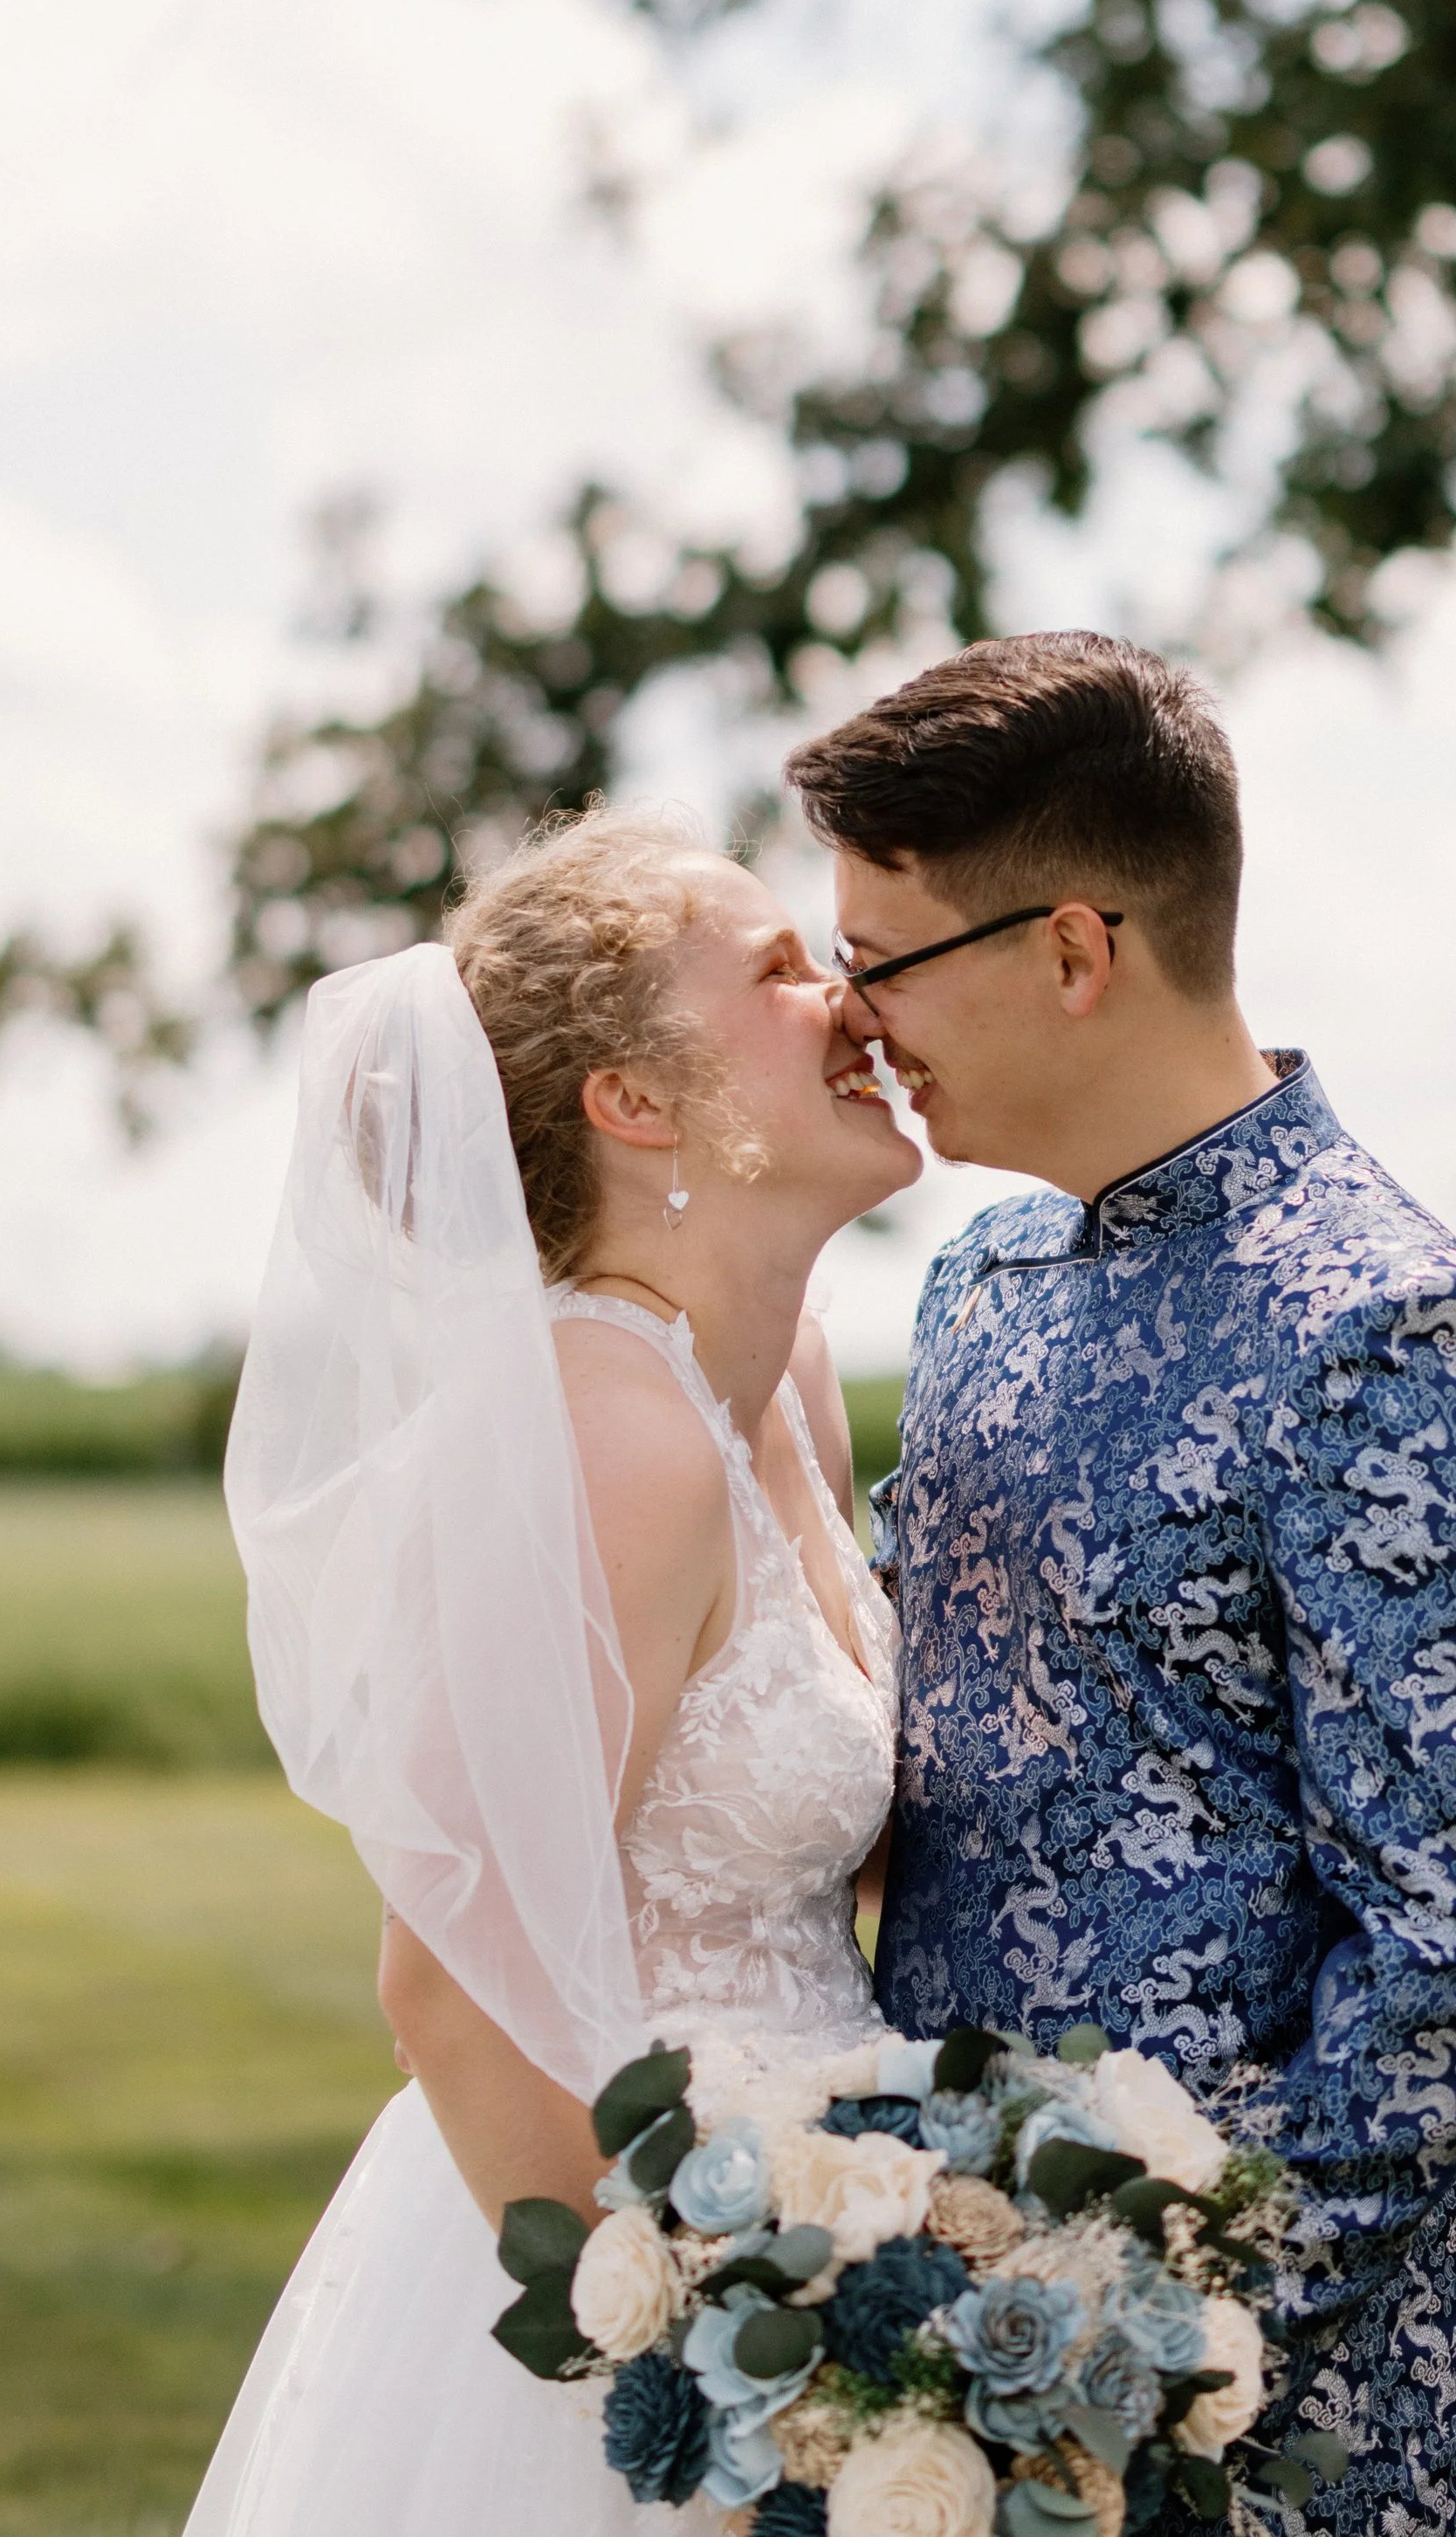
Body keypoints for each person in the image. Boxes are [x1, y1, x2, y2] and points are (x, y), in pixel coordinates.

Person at [785, 631, 1456, 2537]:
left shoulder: (1390, 1337)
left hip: (1278, 2405)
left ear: (1073, 952)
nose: (848, 1015)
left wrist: (1165, 2339)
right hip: (938, 2322)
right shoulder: (978, 1281)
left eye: (880, 960)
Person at [183, 806, 917, 2537]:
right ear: (636, 1103)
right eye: (782, 973)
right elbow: (445, 1985)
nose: (854, 1004)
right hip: (620, 2265)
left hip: (832, 2218)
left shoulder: (786, 1379)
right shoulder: (613, 1435)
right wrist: (706, 2397)